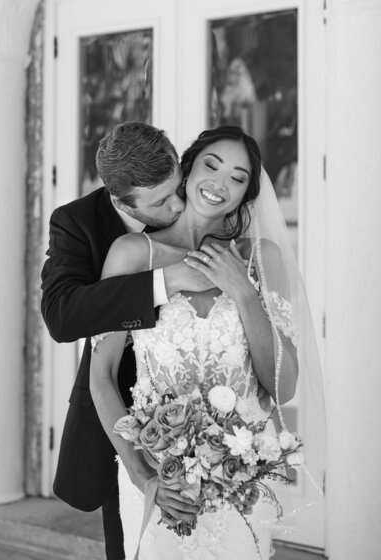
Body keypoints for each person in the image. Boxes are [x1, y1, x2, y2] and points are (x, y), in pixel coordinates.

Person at [89, 125, 306, 559]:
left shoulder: (263, 259)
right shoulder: (133, 255)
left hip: (240, 481)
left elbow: (283, 388)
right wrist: (142, 477)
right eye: (212, 165)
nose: (220, 182)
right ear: (185, 171)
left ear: (247, 193)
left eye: (238, 177)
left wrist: (243, 291)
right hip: (161, 477)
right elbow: (102, 375)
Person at [41, 122, 218, 560]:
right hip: (121, 418)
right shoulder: (76, 222)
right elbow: (62, 316)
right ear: (121, 201)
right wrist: (163, 281)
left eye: (177, 186)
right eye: (160, 201)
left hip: (212, 416)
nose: (179, 204)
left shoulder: (201, 202)